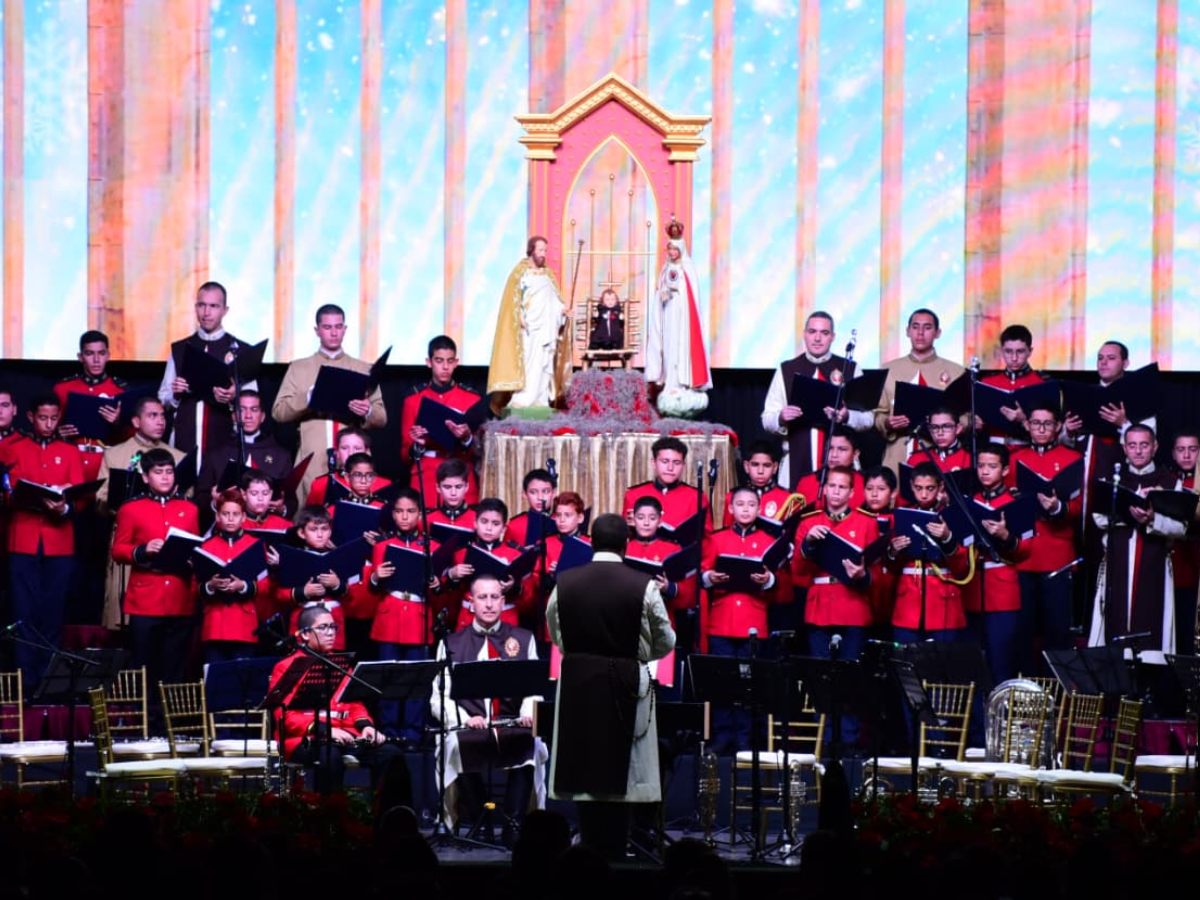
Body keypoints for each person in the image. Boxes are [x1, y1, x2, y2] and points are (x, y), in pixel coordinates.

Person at [547, 513, 675, 860]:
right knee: (623, 772)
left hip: (578, 681)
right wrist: (639, 651)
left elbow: (556, 630)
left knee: (584, 764)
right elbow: (666, 639)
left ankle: (588, 850)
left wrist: (580, 651)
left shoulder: (566, 581)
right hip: (626, 680)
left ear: (590, 541)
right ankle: (619, 855)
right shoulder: (643, 584)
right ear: (626, 545)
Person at [432, 573, 542, 838]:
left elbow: (535, 688)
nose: (490, 604)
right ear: (471, 602)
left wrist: (528, 712)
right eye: (483, 597)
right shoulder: (451, 643)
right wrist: (464, 717)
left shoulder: (524, 639)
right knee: (454, 745)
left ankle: (513, 825)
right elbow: (439, 696)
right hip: (471, 725)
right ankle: (480, 818)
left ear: (504, 601)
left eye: (495, 597)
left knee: (534, 746)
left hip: (511, 723)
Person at [269, 604, 410, 795]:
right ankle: (332, 818)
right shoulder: (285, 667)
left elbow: (355, 703)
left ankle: (383, 817)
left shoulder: (340, 663)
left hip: (346, 735)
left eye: (333, 627)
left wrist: (366, 727)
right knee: (329, 756)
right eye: (323, 627)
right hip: (304, 739)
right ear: (304, 634)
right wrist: (326, 730)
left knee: (391, 754)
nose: (330, 633)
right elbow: (283, 717)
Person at [3, 394, 85, 687]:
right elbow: (6, 492)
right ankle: (26, 684)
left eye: (53, 418)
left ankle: (49, 687)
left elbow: (81, 498)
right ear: (30, 417)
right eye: (42, 418)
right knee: (24, 615)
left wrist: (64, 507)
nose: (48, 424)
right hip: (22, 541)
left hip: (59, 543)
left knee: (53, 615)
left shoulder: (70, 452)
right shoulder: (12, 449)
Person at [796, 466, 881, 747]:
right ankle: (823, 740)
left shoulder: (867, 522)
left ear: (852, 492)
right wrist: (808, 543)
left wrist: (862, 576)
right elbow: (797, 571)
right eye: (831, 486)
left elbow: (878, 574)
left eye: (841, 487)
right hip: (819, 605)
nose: (835, 492)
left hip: (853, 606)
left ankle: (849, 742)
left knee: (850, 678)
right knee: (821, 679)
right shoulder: (809, 522)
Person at [701, 487, 789, 751]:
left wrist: (768, 580)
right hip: (722, 619)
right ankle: (722, 734)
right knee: (722, 682)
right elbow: (703, 573)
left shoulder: (768, 540)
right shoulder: (716, 539)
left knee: (750, 684)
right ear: (730, 508)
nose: (746, 509)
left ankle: (746, 737)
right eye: (740, 504)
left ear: (759, 509)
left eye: (751, 504)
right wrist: (710, 578)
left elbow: (780, 583)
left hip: (754, 619)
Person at [1089, 424, 1185, 664]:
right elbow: (1098, 518)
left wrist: (1153, 518)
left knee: (1152, 631)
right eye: (1132, 445)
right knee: (1114, 627)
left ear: (1155, 447)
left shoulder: (1170, 482)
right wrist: (1129, 514)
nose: (1138, 451)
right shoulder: (1111, 479)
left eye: (1144, 445)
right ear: (1124, 448)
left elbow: (1182, 527)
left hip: (1155, 567)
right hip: (1117, 563)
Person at [271, 304, 387, 501]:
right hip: (312, 458)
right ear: (317, 331)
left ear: (345, 329)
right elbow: (278, 412)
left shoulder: (363, 369)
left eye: (338, 326)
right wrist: (307, 398)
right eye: (327, 327)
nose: (334, 333)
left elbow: (381, 417)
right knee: (310, 517)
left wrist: (367, 411)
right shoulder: (299, 368)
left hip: (353, 460)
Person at [111, 448, 200, 689]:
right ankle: (146, 723)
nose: (165, 477)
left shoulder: (190, 509)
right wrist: (143, 549)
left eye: (169, 472)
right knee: (144, 667)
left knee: (174, 670)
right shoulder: (130, 508)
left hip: (180, 598)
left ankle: (169, 725)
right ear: (145, 476)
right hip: (145, 599)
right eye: (158, 472)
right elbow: (118, 550)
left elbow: (196, 548)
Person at [95, 397, 187, 630]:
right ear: (136, 421)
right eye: (152, 416)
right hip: (128, 539)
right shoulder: (115, 454)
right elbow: (100, 499)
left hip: (166, 544)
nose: (160, 422)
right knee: (123, 615)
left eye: (162, 416)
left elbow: (188, 500)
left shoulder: (178, 457)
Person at [761, 311, 874, 488]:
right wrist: (781, 417)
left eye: (824, 333)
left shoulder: (850, 369)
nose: (817, 338)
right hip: (796, 461)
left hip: (841, 467)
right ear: (804, 335)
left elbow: (868, 418)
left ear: (833, 337)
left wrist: (847, 417)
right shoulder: (787, 369)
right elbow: (767, 419)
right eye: (812, 332)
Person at [1010, 405, 1083, 664]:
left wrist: (1057, 507)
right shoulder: (1016, 457)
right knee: (1023, 631)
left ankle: (1061, 697)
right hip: (1023, 554)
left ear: (1058, 427)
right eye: (1036, 423)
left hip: (1057, 555)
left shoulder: (1073, 458)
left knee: (1058, 632)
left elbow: (1079, 506)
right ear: (1027, 425)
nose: (1041, 429)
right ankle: (1023, 692)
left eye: (1047, 424)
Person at [368, 487, 442, 743]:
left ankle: (412, 731)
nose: (405, 517)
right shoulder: (383, 545)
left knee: (415, 678)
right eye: (399, 511)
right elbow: (372, 587)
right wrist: (377, 577)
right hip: (390, 615)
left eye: (410, 511)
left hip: (419, 615)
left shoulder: (432, 546)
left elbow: (440, 590)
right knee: (388, 676)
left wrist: (436, 585)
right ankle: (388, 730)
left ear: (420, 514)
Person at [158, 281, 256, 462]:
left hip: (225, 439)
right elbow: (163, 398)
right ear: (195, 308)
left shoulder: (241, 350)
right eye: (202, 305)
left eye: (213, 306)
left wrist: (235, 395)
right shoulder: (180, 349)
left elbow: (254, 401)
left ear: (225, 310)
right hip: (183, 437)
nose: (206, 312)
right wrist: (176, 394)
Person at [962, 445, 1028, 684]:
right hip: (971, 588)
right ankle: (977, 721)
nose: (985, 471)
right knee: (972, 667)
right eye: (981, 466)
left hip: (1001, 593)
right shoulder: (971, 501)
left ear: (1005, 470)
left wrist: (1004, 536)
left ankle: (1001, 719)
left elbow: (1026, 549)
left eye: (992, 466)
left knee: (1001, 663)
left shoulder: (1015, 501)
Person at [875, 309, 966, 474]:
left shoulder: (956, 372)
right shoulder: (888, 370)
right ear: (907, 331)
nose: (920, 333)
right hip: (896, 454)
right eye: (915, 327)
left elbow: (966, 417)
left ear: (937, 333)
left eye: (927, 327)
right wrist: (888, 423)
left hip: (940, 458)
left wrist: (947, 428)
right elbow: (878, 415)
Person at [887, 463, 969, 644]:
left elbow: (963, 569)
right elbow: (890, 569)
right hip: (908, 603)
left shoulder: (954, 516)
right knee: (906, 665)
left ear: (940, 487)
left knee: (942, 668)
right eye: (918, 488)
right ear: (911, 486)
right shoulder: (900, 515)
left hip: (943, 602)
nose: (923, 494)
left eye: (930, 488)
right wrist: (893, 551)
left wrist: (948, 538)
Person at [487, 236, 570, 410]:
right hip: (530, 328)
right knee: (529, 363)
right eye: (540, 250)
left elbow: (553, 300)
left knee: (544, 364)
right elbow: (512, 302)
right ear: (531, 250)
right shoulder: (520, 273)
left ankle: (540, 400)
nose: (543, 254)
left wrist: (562, 310)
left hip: (547, 328)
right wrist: (518, 316)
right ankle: (524, 399)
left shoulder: (548, 275)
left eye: (545, 251)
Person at [401, 335, 481, 505]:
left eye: (450, 361)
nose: (445, 367)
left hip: (461, 473)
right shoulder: (413, 400)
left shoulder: (472, 399)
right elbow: (404, 454)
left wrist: (466, 438)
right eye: (439, 360)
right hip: (427, 475)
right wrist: (418, 445)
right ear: (429, 362)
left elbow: (481, 452)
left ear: (456, 362)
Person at [644, 220, 712, 407]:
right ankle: (669, 383)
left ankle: (681, 384)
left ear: (681, 250)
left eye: (675, 250)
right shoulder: (666, 268)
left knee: (680, 348)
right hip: (668, 314)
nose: (672, 253)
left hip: (682, 317)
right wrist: (661, 293)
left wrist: (675, 291)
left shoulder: (687, 268)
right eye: (670, 249)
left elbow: (688, 292)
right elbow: (661, 288)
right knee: (668, 348)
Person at [197, 489, 268, 665]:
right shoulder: (206, 546)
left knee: (242, 680)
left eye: (235, 514)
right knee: (215, 681)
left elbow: (266, 585)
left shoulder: (255, 545)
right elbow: (194, 587)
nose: (230, 518)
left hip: (244, 624)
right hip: (215, 624)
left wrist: (243, 586)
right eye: (225, 514)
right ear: (217, 517)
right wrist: (211, 585)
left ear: (243, 517)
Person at [197, 390, 292, 511]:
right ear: (233, 416)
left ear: (262, 416)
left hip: (268, 524)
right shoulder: (216, 454)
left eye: (254, 409)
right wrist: (216, 503)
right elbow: (201, 497)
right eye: (242, 410)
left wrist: (282, 508)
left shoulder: (281, 455)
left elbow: (291, 500)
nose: (248, 416)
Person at [54, 330, 126, 482]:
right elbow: (47, 427)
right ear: (80, 357)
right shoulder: (63, 389)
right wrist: (58, 434)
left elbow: (131, 438)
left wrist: (118, 423)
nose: (96, 360)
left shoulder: (120, 390)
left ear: (108, 355)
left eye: (101, 353)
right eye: (89, 353)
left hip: (107, 462)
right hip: (72, 461)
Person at [978, 324, 1046, 446]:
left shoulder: (1041, 383)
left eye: (1020, 351)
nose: (1014, 358)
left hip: (1027, 449)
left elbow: (1050, 429)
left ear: (1030, 352)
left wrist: (1024, 420)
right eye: (1008, 351)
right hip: (992, 452)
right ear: (1001, 351)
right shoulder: (987, 383)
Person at [1169, 431, 1200, 654]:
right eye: (1181, 449)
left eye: (1193, 449)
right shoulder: (1168, 481)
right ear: (1173, 453)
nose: (1187, 455)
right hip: (1172, 567)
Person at [505, 468, 556, 548]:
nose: (540, 497)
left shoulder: (561, 523)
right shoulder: (515, 525)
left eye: (545, 491)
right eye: (533, 492)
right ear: (524, 494)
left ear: (553, 493)